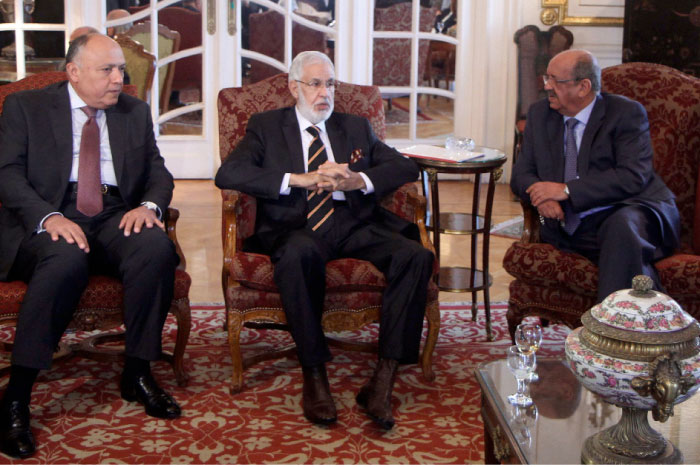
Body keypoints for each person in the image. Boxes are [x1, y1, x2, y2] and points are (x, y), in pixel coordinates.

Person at [215, 51, 434, 430]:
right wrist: (296, 179)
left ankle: (383, 377)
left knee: (415, 256)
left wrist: (357, 181)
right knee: (299, 255)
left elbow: (404, 165)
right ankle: (314, 374)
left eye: (330, 84)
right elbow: (229, 173)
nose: (324, 93)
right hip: (295, 225)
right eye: (315, 84)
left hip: (353, 223)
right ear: (293, 87)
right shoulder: (266, 127)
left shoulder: (355, 126)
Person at [0, 33, 180, 458]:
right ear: (74, 72)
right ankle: (16, 395)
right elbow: (6, 173)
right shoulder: (26, 107)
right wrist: (49, 217)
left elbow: (159, 172)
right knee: (64, 260)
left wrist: (150, 206)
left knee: (154, 247)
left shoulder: (133, 112)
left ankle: (136, 371)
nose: (120, 79)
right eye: (108, 70)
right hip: (50, 211)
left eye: (121, 69)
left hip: (113, 212)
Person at [510, 49, 680, 302]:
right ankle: (650, 319)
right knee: (625, 254)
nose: (547, 86)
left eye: (555, 80)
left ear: (583, 87)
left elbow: (633, 176)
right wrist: (541, 195)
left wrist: (566, 190)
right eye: (547, 78)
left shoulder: (625, 114)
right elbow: (521, 174)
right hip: (572, 222)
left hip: (631, 208)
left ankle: (608, 331)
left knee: (621, 230)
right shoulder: (539, 114)